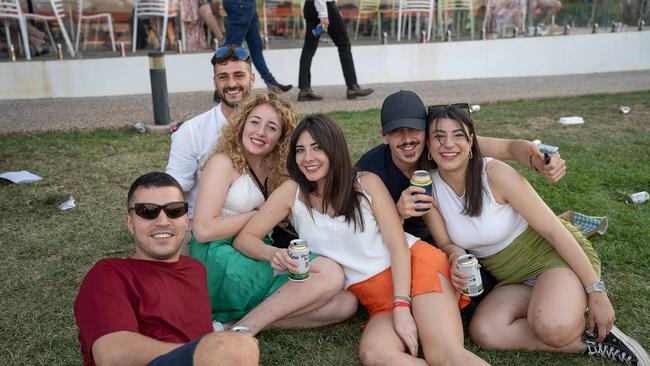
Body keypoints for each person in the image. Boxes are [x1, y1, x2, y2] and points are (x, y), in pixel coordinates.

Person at [236, 114, 489, 365]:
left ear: (334, 150)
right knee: (375, 355)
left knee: (445, 356)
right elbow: (245, 238)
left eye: (317, 148)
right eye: (300, 150)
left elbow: (397, 246)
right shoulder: (292, 192)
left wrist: (402, 307)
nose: (308, 158)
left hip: (416, 269)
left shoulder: (365, 183)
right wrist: (272, 254)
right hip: (378, 300)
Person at [421, 104, 650, 365]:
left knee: (552, 325)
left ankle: (570, 302)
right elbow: (447, 243)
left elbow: (553, 230)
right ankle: (589, 342)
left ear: (472, 141)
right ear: (428, 144)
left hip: (552, 259)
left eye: (458, 135)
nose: (448, 144)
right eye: (438, 136)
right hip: (513, 278)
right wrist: (456, 258)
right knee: (485, 331)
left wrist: (596, 291)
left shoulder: (494, 173)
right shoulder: (428, 188)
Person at [191, 92, 357, 334]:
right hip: (218, 256)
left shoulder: (277, 170)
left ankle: (233, 326)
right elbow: (203, 230)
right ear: (242, 124)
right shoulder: (223, 163)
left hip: (254, 249)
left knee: (345, 304)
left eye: (272, 128)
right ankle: (245, 330)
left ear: (281, 138)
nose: (260, 132)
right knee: (330, 274)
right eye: (255, 122)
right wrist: (253, 217)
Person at [73, 172, 259, 366]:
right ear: (130, 223)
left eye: (174, 210)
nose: (163, 221)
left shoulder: (195, 270)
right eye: (147, 211)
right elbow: (112, 355)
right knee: (235, 348)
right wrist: (209, 350)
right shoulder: (109, 274)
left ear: (186, 220)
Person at [356, 90, 566, 246]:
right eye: (397, 132)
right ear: (383, 135)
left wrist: (536, 161)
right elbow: (361, 232)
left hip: (460, 239)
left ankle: (555, 224)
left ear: (427, 132)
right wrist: (398, 213)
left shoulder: (442, 148)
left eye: (414, 130)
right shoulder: (369, 172)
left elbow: (510, 148)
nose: (408, 140)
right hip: (404, 244)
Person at [166, 46, 256, 253]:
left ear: (252, 79)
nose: (231, 84)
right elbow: (175, 188)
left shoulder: (269, 128)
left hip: (258, 226)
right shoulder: (191, 131)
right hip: (201, 228)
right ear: (215, 81)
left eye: (239, 75)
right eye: (223, 77)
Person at [296, 0, 373, 101]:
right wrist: (323, 15)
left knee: (308, 48)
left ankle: (304, 89)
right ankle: (352, 86)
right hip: (324, 6)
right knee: (344, 44)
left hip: (310, 6)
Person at [222, 0, 292, 92]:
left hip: (246, 5)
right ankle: (222, 88)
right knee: (231, 49)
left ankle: (272, 83)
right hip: (241, 4)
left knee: (256, 46)